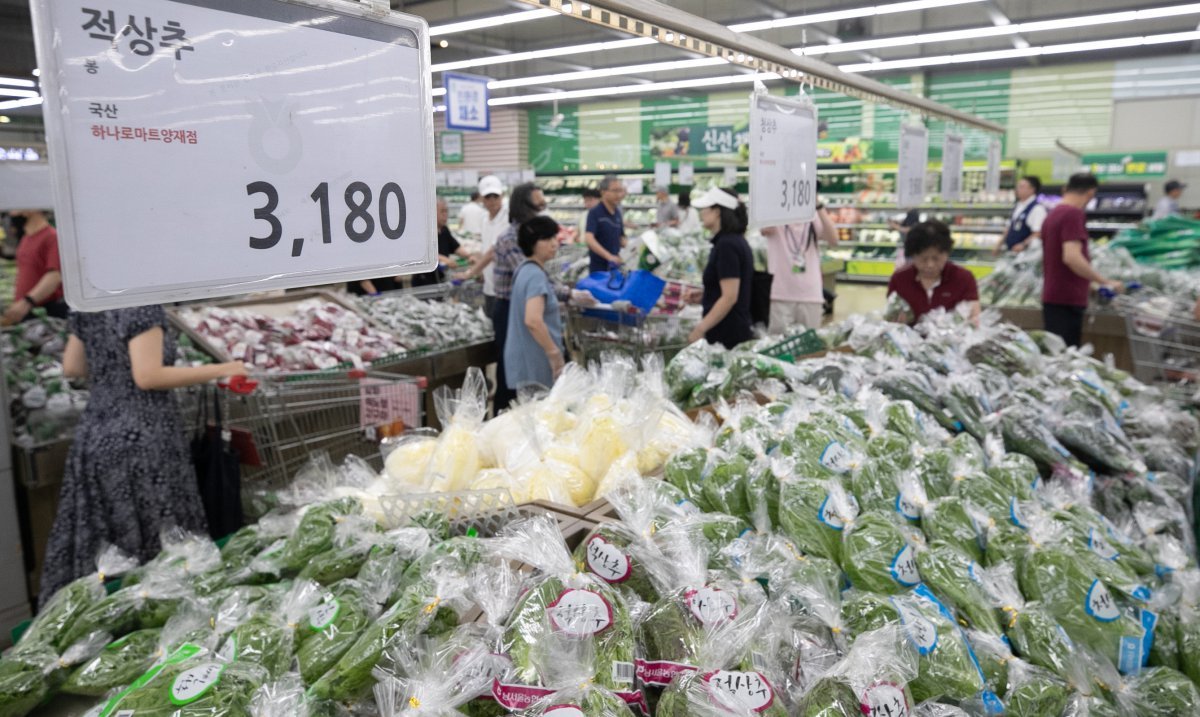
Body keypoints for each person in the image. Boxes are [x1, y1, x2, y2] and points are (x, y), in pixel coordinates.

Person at [38, 306, 248, 604]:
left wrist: (111, 369)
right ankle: (160, 606)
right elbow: (147, 376)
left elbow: (72, 366)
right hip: (144, 437)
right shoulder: (141, 305)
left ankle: (104, 608)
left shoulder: (87, 301)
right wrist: (224, 369)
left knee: (109, 538)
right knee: (158, 533)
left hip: (96, 430)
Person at [1041, 173, 1123, 348]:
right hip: (1067, 298)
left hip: (1054, 296)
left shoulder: (1053, 213)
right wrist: (1104, 282)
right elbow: (1071, 257)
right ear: (1091, 193)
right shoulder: (1073, 214)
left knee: (1055, 354)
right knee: (1066, 356)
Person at [491, 182, 548, 412]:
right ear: (525, 206)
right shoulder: (512, 237)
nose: (543, 209)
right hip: (509, 310)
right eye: (539, 204)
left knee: (524, 369)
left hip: (528, 306)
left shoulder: (532, 235)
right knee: (509, 370)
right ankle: (501, 420)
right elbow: (528, 272)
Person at [687, 187, 754, 349]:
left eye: (705, 208)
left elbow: (730, 297)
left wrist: (700, 328)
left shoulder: (727, 245)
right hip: (733, 330)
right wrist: (707, 294)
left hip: (727, 335)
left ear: (717, 212)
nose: (702, 213)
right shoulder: (734, 241)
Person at [505, 216, 565, 393]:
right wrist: (554, 354)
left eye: (554, 238)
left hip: (525, 360)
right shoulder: (535, 275)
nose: (554, 244)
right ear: (532, 243)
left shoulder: (524, 269)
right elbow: (533, 320)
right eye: (546, 239)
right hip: (535, 361)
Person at [886, 220, 980, 325]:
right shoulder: (899, 279)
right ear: (912, 255)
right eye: (923, 259)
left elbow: (974, 318)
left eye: (936, 258)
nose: (930, 265)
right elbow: (890, 319)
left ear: (947, 254)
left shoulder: (964, 278)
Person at [763, 203, 839, 333]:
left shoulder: (813, 216)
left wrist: (819, 206)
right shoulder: (775, 215)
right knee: (777, 345)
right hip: (781, 294)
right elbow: (764, 228)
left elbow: (834, 240)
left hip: (811, 294)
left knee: (809, 347)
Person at [3, 209, 66, 324]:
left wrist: (27, 301)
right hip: (27, 311)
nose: (11, 214)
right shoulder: (26, 237)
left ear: (29, 210)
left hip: (44, 313)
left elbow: (54, 276)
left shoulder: (52, 237)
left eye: (14, 210)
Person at [458, 175, 509, 315]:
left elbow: (493, 251)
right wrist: (478, 266)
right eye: (488, 197)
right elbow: (485, 248)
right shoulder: (484, 219)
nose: (492, 201)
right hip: (489, 286)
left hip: (505, 288)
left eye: (495, 196)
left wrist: (471, 272)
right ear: (481, 198)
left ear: (502, 196)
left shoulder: (507, 217)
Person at [412, 198, 472, 288]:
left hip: (441, 277)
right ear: (432, 212)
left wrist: (469, 255)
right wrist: (444, 259)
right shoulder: (424, 231)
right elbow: (421, 251)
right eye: (442, 211)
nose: (445, 215)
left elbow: (456, 247)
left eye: (446, 211)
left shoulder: (444, 230)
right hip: (425, 280)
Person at [995, 175, 1047, 256]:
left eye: (1021, 187)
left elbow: (1038, 233)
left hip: (1027, 256)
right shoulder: (1018, 206)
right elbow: (1010, 227)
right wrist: (999, 244)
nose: (1017, 189)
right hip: (1012, 253)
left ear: (1032, 189)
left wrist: (1023, 244)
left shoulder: (1037, 209)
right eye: (1017, 186)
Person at [585, 175, 627, 274]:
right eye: (615, 191)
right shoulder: (595, 212)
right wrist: (609, 256)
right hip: (599, 271)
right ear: (603, 192)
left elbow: (622, 238)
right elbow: (589, 239)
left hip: (615, 269)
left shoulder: (617, 213)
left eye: (620, 191)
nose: (619, 195)